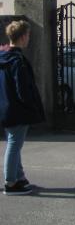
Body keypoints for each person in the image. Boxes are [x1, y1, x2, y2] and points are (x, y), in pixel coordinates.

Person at [0, 20, 44, 195]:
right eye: (28, 36)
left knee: (14, 144)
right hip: (17, 109)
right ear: (23, 36)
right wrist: (30, 105)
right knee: (14, 145)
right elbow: (23, 88)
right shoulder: (17, 60)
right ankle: (11, 182)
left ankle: (19, 177)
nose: (28, 39)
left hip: (5, 107)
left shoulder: (4, 57)